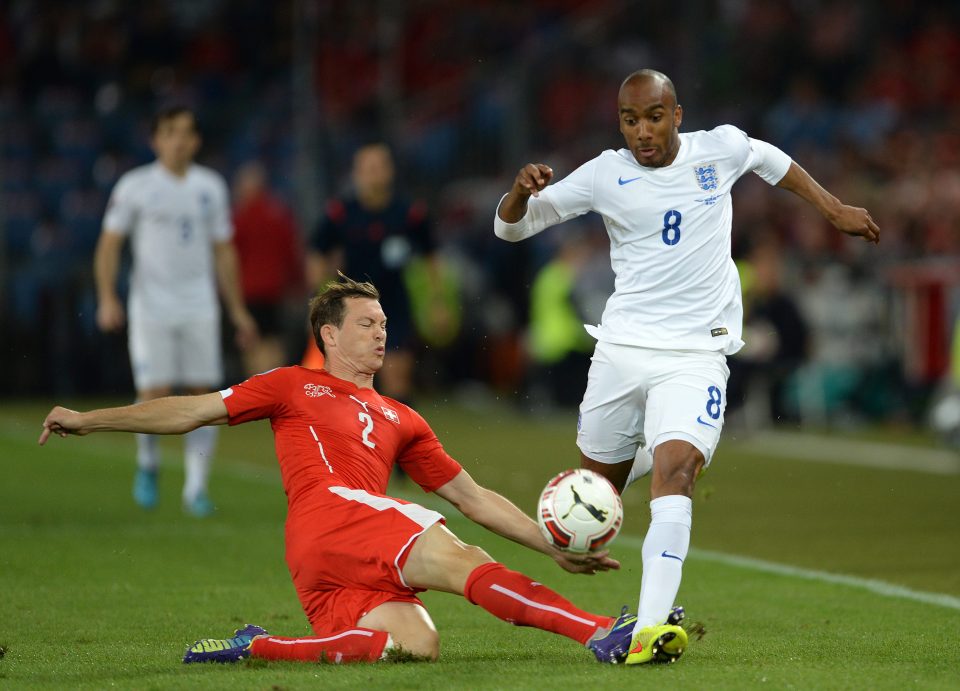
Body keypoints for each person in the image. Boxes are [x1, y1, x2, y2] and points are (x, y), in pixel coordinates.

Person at [39, 276, 668, 666]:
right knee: (459, 558)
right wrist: (91, 419)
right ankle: (600, 634)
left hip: (333, 550)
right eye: (365, 324)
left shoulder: (402, 417)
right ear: (329, 336)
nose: (380, 334)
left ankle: (255, 646)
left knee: (415, 643)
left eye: (384, 325)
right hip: (331, 512)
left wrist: (550, 546)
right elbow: (191, 411)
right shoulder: (292, 385)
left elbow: (472, 496)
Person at [493, 69, 879, 665]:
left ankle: (652, 627)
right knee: (599, 497)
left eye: (653, 117)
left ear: (677, 114)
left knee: (678, 471)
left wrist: (831, 208)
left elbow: (768, 157)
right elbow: (511, 227)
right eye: (629, 119)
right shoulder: (604, 172)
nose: (642, 131)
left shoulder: (716, 149)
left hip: (697, 353)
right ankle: (648, 459)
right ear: (619, 121)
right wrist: (519, 191)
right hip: (621, 351)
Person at [93, 106, 258, 517]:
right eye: (170, 132)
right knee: (154, 391)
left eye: (186, 133)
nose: (178, 140)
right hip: (151, 306)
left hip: (199, 305)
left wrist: (237, 310)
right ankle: (148, 464)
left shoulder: (211, 187)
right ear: (156, 140)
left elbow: (224, 251)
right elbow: (110, 244)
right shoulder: (136, 186)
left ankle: (195, 489)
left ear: (197, 141)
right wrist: (107, 297)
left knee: (205, 397)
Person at [306, 143, 437, 404]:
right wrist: (319, 295)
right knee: (353, 381)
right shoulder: (342, 213)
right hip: (352, 308)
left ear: (389, 171)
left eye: (379, 167)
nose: (373, 174)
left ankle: (398, 440)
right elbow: (317, 252)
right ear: (356, 173)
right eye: (368, 168)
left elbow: (431, 257)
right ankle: (360, 440)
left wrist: (436, 301)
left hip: (395, 305)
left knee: (397, 377)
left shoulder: (409, 213)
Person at [231, 161, 305, 376]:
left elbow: (230, 256)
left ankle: (256, 394)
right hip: (276, 291)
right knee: (274, 342)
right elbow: (292, 252)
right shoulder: (280, 214)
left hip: (248, 292)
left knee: (251, 344)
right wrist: (297, 284)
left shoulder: (239, 218)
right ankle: (274, 390)